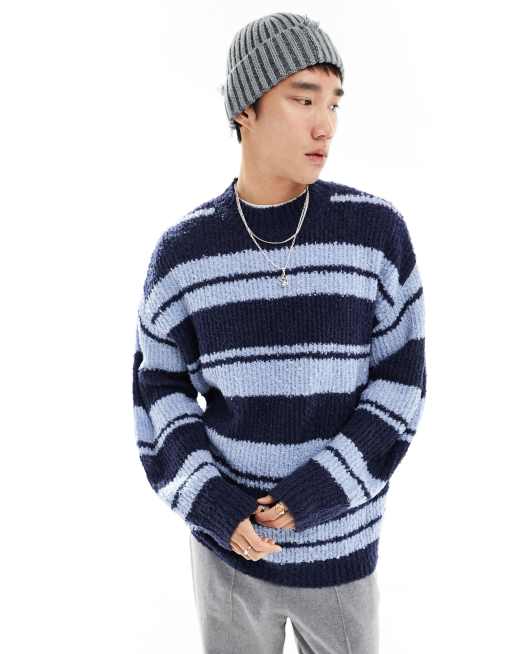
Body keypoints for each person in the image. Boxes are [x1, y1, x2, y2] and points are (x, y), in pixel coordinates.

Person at [132, 11, 427, 654]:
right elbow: (159, 392)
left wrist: (316, 492)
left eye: (334, 102)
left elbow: (400, 385)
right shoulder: (183, 254)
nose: (326, 125)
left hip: (340, 551)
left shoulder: (375, 234)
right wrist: (213, 504)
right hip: (227, 559)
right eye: (303, 99)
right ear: (246, 109)